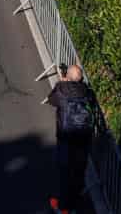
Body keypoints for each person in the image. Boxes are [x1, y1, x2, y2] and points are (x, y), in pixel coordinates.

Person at [46, 64, 97, 213]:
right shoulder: (87, 92)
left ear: (67, 76)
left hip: (66, 138)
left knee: (65, 174)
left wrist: (60, 83)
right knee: (79, 172)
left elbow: (51, 99)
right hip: (84, 140)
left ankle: (63, 208)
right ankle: (74, 202)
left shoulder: (62, 90)